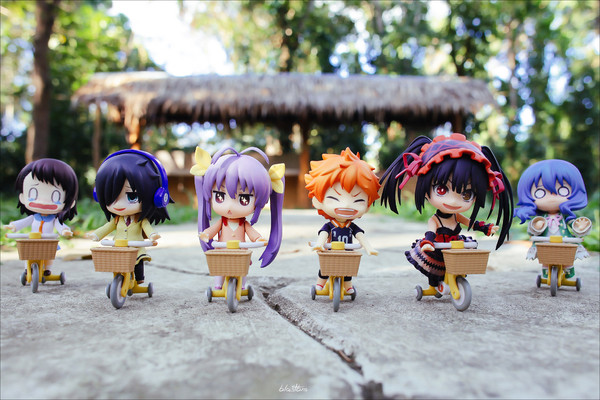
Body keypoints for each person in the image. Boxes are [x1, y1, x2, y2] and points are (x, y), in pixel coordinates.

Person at [379, 133, 513, 292]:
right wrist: (428, 242)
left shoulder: (457, 216)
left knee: (461, 264)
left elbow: (470, 223)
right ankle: (432, 287)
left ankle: (455, 281)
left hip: (455, 247)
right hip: (437, 248)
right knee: (434, 270)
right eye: (442, 190)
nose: (454, 201)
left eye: (467, 194)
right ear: (426, 190)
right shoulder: (435, 220)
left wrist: (485, 228)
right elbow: (431, 232)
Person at [192, 146, 284, 289]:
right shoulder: (222, 222)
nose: (230, 206)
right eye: (220, 196)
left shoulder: (244, 224)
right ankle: (217, 285)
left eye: (244, 199)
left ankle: (242, 286)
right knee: (220, 267)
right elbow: (213, 230)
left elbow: (252, 233)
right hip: (223, 251)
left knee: (242, 268)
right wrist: (206, 234)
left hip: (240, 253)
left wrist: (258, 239)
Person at [89, 150, 172, 284]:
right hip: (119, 249)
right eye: (110, 198)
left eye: (131, 196)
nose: (119, 204)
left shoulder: (140, 220)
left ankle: (139, 278)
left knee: (138, 261)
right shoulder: (117, 220)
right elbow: (107, 227)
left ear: (159, 197)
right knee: (116, 264)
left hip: (135, 248)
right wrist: (97, 235)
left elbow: (147, 227)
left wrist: (152, 235)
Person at [305, 148, 380, 295]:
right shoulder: (329, 226)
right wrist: (320, 243)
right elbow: (323, 234)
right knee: (325, 269)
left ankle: (348, 285)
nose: (346, 205)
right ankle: (320, 283)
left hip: (347, 254)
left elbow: (360, 236)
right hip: (330, 253)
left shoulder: (351, 226)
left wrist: (368, 247)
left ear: (367, 206)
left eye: (358, 200)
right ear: (318, 201)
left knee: (347, 270)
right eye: (334, 198)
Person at [514, 159, 591, 279]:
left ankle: (569, 271)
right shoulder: (541, 218)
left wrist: (579, 226)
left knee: (567, 258)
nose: (552, 197)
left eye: (562, 190)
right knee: (545, 258)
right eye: (540, 192)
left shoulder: (566, 216)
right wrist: (536, 226)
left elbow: (572, 223)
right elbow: (532, 229)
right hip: (546, 242)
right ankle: (546, 273)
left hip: (564, 241)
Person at [4, 158, 79, 276]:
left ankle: (47, 268)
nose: (43, 201)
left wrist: (64, 230)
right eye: (33, 193)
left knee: (49, 255)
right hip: (33, 241)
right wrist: (13, 226)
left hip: (48, 242)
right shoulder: (34, 217)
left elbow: (60, 225)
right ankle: (27, 268)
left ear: (70, 202)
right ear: (22, 197)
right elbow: (23, 222)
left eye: (56, 196)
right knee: (28, 254)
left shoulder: (53, 219)